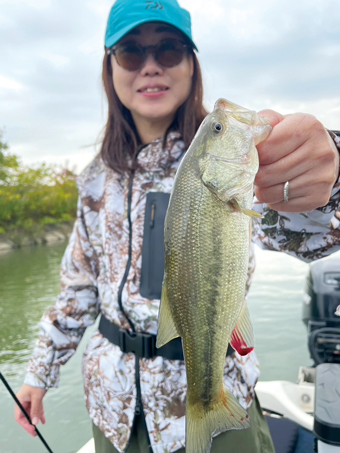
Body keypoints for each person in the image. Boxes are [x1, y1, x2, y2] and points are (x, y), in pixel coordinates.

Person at [14, 0, 340, 452]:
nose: (151, 66)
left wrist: (329, 177)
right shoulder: (93, 178)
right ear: (109, 69)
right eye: (131, 52)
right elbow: (78, 288)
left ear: (192, 65)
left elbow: (307, 234)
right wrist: (39, 374)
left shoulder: (234, 163)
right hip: (114, 412)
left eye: (168, 50)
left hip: (222, 400)